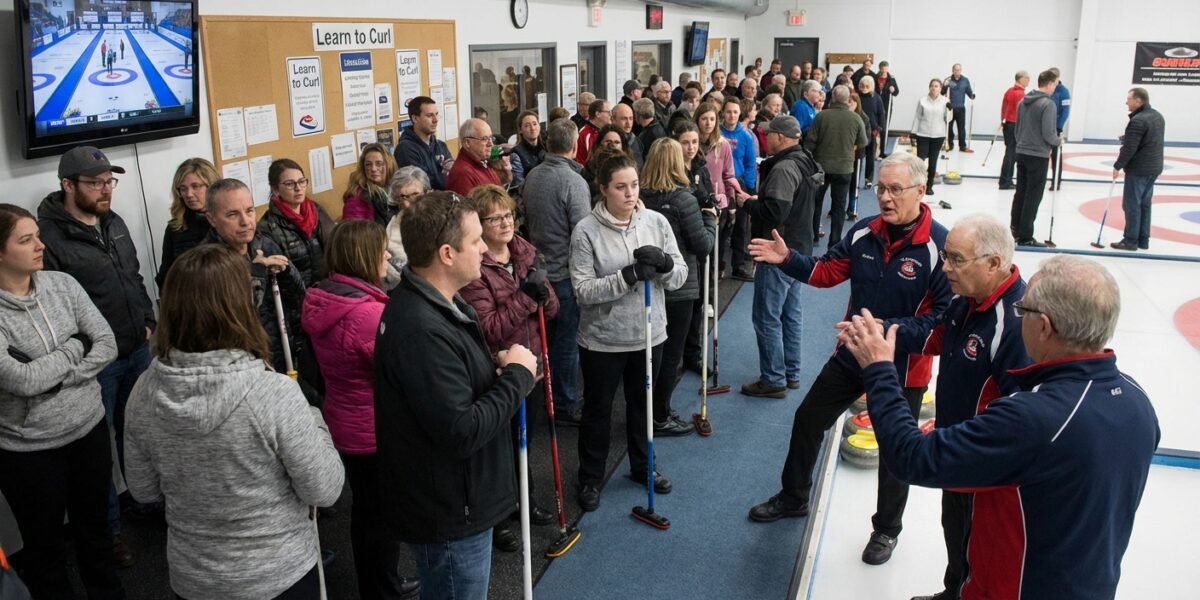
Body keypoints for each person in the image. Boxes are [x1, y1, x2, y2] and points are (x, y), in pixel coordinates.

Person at [841, 254, 1158, 600]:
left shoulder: (1033, 419)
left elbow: (912, 458)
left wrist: (880, 370)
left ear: (1044, 326)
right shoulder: (1137, 399)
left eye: (1024, 310)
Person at [745, 152, 951, 569]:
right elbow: (825, 272)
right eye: (881, 189)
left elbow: (940, 327)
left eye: (896, 190)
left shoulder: (940, 247)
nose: (887, 198)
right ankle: (794, 496)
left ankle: (886, 529)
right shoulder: (863, 234)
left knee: (897, 453)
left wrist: (882, 332)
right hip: (853, 354)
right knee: (807, 419)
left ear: (920, 191)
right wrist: (788, 259)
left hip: (903, 368)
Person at [124, 244, 345, 600]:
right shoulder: (272, 393)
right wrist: (314, 417)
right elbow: (325, 488)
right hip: (279, 575)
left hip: (194, 577)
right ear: (239, 307)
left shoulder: (143, 390)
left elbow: (143, 491)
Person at [375, 191, 538, 600]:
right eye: (476, 240)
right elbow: (460, 428)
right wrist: (517, 377)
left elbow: (453, 388)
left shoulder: (444, 303)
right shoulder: (421, 328)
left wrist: (494, 368)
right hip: (449, 511)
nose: (486, 247)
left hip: (459, 498)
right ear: (447, 253)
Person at [899, 214, 1032, 600]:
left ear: (993, 263)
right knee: (954, 531)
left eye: (956, 259)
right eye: (945, 256)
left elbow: (1021, 415)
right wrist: (885, 332)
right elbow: (933, 335)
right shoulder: (966, 299)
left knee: (978, 548)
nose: (945, 268)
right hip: (955, 449)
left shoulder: (1014, 325)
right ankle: (952, 590)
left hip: (983, 467)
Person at [38, 145, 155, 567]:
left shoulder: (114, 221)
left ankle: (144, 503)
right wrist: (87, 352)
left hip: (137, 349)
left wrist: (147, 318)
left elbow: (133, 275)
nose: (107, 190)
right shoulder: (47, 239)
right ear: (68, 185)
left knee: (138, 432)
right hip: (95, 365)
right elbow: (51, 310)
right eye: (96, 183)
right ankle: (109, 534)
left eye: (110, 181)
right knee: (97, 455)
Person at [0, 203, 123, 600]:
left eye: (37, 235)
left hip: (88, 430)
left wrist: (55, 376)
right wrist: (75, 347)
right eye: (26, 240)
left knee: (97, 535)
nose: (40, 245)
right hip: (27, 451)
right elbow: (21, 379)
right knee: (45, 549)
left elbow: (105, 343)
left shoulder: (63, 285)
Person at [300, 221, 421, 600]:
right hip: (372, 428)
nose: (387, 256)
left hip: (346, 420)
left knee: (368, 513)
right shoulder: (364, 315)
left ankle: (379, 582)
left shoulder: (330, 297)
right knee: (380, 519)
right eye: (381, 250)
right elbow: (403, 372)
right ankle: (382, 588)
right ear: (363, 256)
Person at [570, 152, 687, 511]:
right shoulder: (586, 231)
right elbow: (583, 291)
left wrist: (666, 265)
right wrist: (628, 276)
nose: (629, 193)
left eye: (634, 185)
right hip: (603, 340)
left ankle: (642, 467)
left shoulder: (656, 222)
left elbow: (680, 275)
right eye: (620, 187)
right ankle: (590, 477)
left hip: (650, 334)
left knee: (643, 407)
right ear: (603, 189)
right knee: (598, 411)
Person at [459, 184, 560, 550]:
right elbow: (488, 329)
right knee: (499, 447)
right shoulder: (476, 269)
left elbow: (552, 311)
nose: (505, 223)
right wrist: (525, 298)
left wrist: (543, 297)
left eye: (509, 215)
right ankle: (499, 516)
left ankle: (525, 500)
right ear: (478, 226)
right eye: (495, 218)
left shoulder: (525, 252)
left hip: (533, 364)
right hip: (499, 371)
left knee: (524, 439)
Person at [737, 116, 823, 398]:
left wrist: (747, 203)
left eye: (769, 134)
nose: (765, 138)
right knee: (790, 313)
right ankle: (791, 372)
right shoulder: (805, 160)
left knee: (766, 316)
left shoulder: (784, 167)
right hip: (800, 248)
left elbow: (775, 212)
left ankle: (773, 378)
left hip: (778, 251)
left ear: (781, 137)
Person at [204, 179, 310, 396]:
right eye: (232, 215)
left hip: (280, 349)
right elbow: (238, 314)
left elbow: (299, 294)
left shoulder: (263, 243)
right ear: (212, 219)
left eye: (250, 211)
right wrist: (258, 273)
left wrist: (286, 270)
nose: (246, 221)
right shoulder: (208, 264)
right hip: (244, 366)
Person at [641, 138, 716, 435]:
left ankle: (650, 410)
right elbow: (703, 245)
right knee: (671, 354)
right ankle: (659, 415)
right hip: (680, 285)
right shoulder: (684, 199)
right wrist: (710, 221)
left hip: (649, 283)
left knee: (651, 353)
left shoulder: (640, 197)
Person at [522, 118, 590, 425]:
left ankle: (548, 399)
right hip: (564, 275)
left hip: (538, 272)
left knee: (544, 342)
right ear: (575, 146)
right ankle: (565, 403)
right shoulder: (574, 181)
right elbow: (584, 232)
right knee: (565, 344)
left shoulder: (533, 176)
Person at [806, 85, 867, 248]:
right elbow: (863, 142)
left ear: (832, 97)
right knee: (839, 206)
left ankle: (813, 235)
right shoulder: (855, 118)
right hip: (844, 168)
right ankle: (834, 241)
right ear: (848, 100)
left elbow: (810, 142)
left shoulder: (821, 117)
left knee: (816, 202)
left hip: (821, 167)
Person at [260, 159, 335, 287]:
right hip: (298, 299)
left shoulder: (316, 210)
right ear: (275, 189)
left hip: (327, 290)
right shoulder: (267, 227)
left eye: (301, 181)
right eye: (290, 184)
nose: (298, 188)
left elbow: (335, 245)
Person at [1111, 87, 1165, 252]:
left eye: (1129, 99)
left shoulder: (1138, 121)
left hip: (1139, 169)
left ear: (1138, 101)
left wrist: (1117, 165)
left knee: (1132, 204)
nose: (1126, 102)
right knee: (1145, 204)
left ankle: (1130, 240)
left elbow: (1130, 149)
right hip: (1154, 167)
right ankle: (1143, 239)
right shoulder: (1157, 116)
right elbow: (1148, 140)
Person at [695, 101, 745, 281]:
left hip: (719, 200)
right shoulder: (692, 143)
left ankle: (713, 276)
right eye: (704, 119)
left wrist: (731, 203)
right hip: (695, 200)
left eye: (712, 119)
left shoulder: (723, 144)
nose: (708, 123)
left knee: (718, 243)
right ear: (697, 120)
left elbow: (728, 175)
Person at [1011, 70, 1061, 247]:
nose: (1056, 87)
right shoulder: (1048, 104)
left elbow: (1017, 129)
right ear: (1048, 83)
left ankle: (1015, 229)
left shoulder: (1023, 101)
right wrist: (1057, 141)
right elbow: (1049, 133)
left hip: (1022, 151)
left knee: (1021, 192)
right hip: (1037, 155)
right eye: (1055, 84)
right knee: (1033, 196)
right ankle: (1025, 236)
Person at [157, 157, 218, 288]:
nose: (189, 194)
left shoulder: (226, 221)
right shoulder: (175, 227)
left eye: (195, 186)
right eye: (183, 189)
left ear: (211, 185)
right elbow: (165, 276)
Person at [719, 97, 758, 282]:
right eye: (728, 111)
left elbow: (750, 162)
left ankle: (738, 266)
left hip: (739, 184)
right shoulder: (716, 133)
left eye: (735, 112)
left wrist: (749, 188)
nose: (732, 115)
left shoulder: (745, 136)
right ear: (723, 113)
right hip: (719, 184)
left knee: (740, 227)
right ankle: (717, 266)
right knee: (722, 225)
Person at [394, 96, 453, 190]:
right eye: (430, 115)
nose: (436, 120)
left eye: (436, 114)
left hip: (445, 200)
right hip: (425, 203)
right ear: (415, 118)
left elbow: (453, 176)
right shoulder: (405, 149)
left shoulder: (441, 146)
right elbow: (423, 184)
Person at [447, 118, 512, 196]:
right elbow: (466, 207)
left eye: (491, 138)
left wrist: (506, 172)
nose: (490, 143)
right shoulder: (462, 174)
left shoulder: (483, 161)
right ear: (467, 143)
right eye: (484, 139)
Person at [911, 79, 952, 199]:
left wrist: (950, 110)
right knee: (920, 161)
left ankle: (929, 186)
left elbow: (948, 120)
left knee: (933, 162)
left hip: (938, 135)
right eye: (932, 86)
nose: (934, 88)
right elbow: (918, 117)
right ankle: (918, 184)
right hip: (923, 133)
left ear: (940, 88)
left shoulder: (945, 101)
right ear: (929, 88)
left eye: (937, 86)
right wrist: (913, 132)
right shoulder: (922, 101)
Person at [342, 143, 399, 226]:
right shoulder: (357, 197)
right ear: (363, 168)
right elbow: (352, 234)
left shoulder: (397, 188)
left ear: (389, 165)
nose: (373, 169)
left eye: (379, 163)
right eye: (368, 164)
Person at [998, 71, 1029, 190]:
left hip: (1007, 125)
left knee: (1009, 153)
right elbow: (1023, 113)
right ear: (1020, 79)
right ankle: (1006, 181)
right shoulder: (1021, 94)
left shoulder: (1009, 91)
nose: (1028, 80)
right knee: (1011, 155)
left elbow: (1003, 108)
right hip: (1015, 125)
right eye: (1026, 78)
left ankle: (1005, 180)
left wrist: (1002, 121)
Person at [857, 76, 886, 186]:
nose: (864, 88)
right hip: (858, 131)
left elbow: (881, 114)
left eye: (867, 86)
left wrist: (880, 127)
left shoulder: (877, 98)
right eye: (862, 86)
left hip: (872, 131)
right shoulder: (856, 98)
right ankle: (856, 179)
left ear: (871, 87)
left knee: (870, 157)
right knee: (858, 157)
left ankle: (868, 179)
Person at [942, 64, 976, 152]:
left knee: (961, 128)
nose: (957, 71)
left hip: (961, 108)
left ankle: (962, 146)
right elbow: (942, 93)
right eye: (955, 70)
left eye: (958, 70)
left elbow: (969, 92)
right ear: (952, 70)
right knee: (949, 128)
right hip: (950, 108)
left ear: (961, 70)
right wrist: (944, 86)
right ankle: (949, 145)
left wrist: (972, 95)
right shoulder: (948, 80)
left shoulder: (965, 80)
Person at [1048, 67, 1071, 191]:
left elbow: (1066, 111)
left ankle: (1056, 181)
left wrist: (1059, 127)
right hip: (1044, 126)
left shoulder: (1064, 91)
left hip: (1055, 127)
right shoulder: (1047, 89)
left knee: (1056, 155)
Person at [511, 110, 546, 188]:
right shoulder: (516, 153)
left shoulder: (547, 148)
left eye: (534, 124)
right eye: (527, 125)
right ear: (520, 130)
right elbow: (518, 185)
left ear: (539, 126)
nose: (532, 128)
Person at [574, 98, 611, 165]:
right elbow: (592, 160)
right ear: (597, 114)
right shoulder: (586, 134)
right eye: (608, 112)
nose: (610, 115)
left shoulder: (605, 131)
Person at [875, 61, 899, 157]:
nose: (884, 71)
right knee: (875, 128)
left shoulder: (891, 79)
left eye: (886, 69)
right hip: (875, 105)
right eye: (883, 69)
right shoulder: (875, 77)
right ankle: (874, 150)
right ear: (880, 68)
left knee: (884, 129)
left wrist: (893, 90)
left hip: (886, 107)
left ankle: (882, 151)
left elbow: (896, 92)